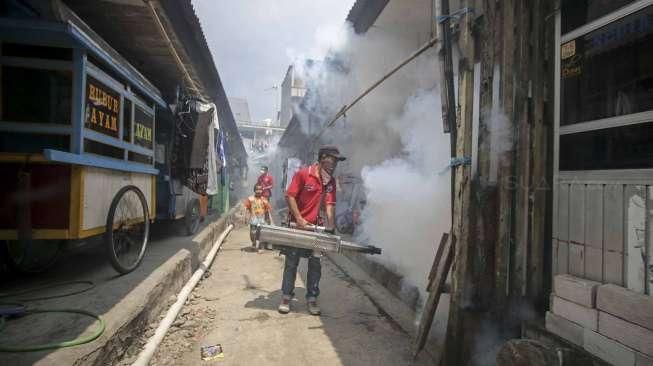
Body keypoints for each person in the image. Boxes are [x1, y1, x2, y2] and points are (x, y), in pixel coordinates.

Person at [278, 146, 346, 315]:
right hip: (297, 226)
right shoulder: (303, 174)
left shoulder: (330, 181)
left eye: (337, 161)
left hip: (316, 229)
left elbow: (330, 205)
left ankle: (312, 298)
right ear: (323, 158)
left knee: (315, 265)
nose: (335, 164)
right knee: (292, 262)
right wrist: (299, 219)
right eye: (333, 159)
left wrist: (330, 225)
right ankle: (286, 296)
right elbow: (290, 195)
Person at [244, 184, 273, 253]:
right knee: (252, 233)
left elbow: (267, 211)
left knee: (261, 233)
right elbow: (247, 209)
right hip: (253, 219)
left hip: (261, 219)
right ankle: (253, 243)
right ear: (254, 190)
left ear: (262, 190)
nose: (258, 191)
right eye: (257, 189)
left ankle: (260, 246)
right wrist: (246, 218)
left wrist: (268, 220)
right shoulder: (250, 199)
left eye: (260, 189)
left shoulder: (264, 200)